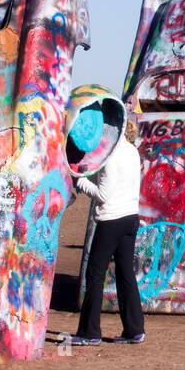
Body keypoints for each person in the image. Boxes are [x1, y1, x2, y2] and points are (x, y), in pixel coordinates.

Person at [71, 116, 145, 344]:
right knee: (126, 275)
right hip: (130, 218)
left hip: (111, 219)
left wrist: (79, 180)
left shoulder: (111, 157)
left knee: (95, 274)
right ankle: (134, 330)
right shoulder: (132, 151)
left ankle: (89, 333)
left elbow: (104, 194)